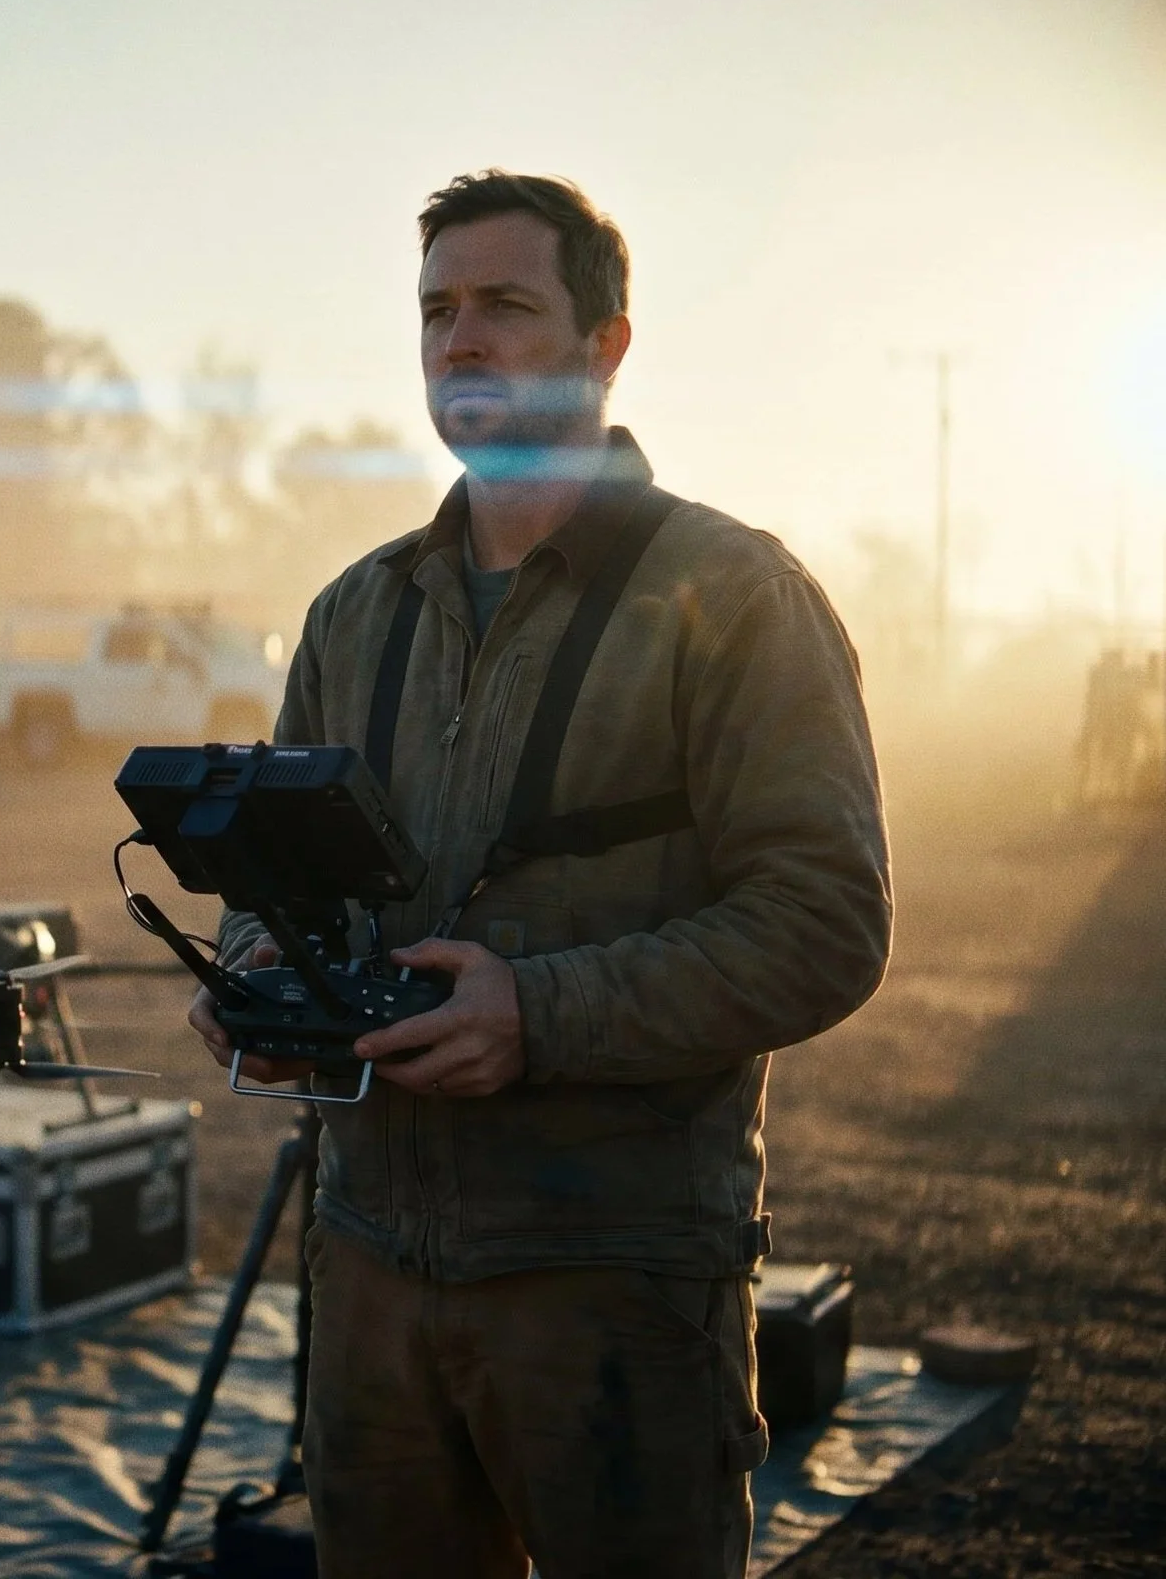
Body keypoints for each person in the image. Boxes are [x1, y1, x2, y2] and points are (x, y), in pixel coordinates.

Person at [188, 171, 892, 1578]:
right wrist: (262, 972)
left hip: (615, 1289)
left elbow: (825, 921)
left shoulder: (736, 598)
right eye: (438, 310)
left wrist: (541, 1013)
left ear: (606, 343)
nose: (462, 339)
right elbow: (280, 883)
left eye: (507, 305)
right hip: (371, 1274)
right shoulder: (354, 613)